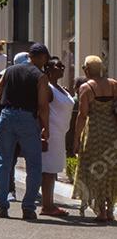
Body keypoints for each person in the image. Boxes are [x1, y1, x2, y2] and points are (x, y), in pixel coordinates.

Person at [0, 43, 51, 221]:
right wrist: (45, 127)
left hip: (7, 116)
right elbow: (43, 105)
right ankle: (28, 207)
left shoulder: (10, 70)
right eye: (45, 58)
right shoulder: (40, 76)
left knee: (4, 162)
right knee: (33, 164)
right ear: (40, 57)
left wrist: (1, 112)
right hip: (27, 119)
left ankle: (2, 205)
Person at [71, 55, 117, 222]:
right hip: (112, 132)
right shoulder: (113, 84)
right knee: (110, 169)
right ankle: (110, 210)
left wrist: (76, 139)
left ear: (87, 70)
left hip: (94, 132)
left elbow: (82, 116)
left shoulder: (86, 88)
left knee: (96, 170)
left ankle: (101, 212)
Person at [40, 56, 74, 218]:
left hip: (60, 134)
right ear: (49, 69)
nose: (62, 68)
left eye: (62, 65)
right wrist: (44, 130)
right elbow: (42, 109)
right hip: (51, 133)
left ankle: (49, 203)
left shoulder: (61, 88)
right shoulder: (47, 87)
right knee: (48, 170)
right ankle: (47, 205)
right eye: (58, 66)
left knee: (53, 170)